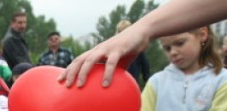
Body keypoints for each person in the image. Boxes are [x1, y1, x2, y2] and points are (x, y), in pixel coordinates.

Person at [60, 0, 227, 87]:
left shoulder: (221, 81)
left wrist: (144, 29)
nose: (173, 52)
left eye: (180, 43)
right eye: (167, 48)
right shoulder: (159, 82)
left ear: (203, 34)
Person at [115, 20, 151, 85]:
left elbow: (145, 70)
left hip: (132, 84)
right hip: (118, 84)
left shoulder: (137, 50)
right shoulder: (114, 51)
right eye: (121, 32)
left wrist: (149, 86)